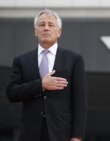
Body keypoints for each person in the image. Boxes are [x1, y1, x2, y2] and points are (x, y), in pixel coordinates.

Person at [6, 9, 87, 141]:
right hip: (30, 131)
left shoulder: (74, 59)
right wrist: (41, 84)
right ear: (35, 31)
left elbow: (80, 101)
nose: (46, 28)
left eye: (51, 25)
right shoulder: (21, 60)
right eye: (42, 25)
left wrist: (77, 136)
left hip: (61, 132)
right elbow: (12, 93)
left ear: (59, 32)